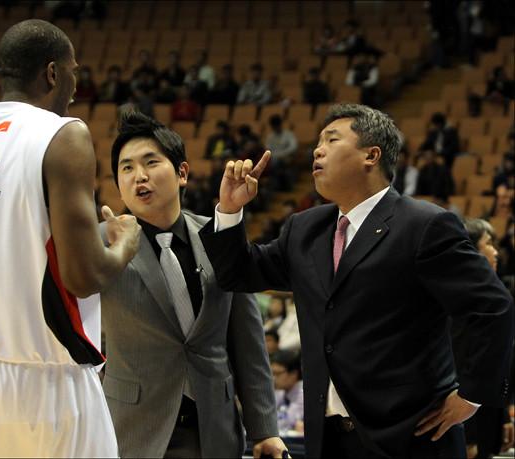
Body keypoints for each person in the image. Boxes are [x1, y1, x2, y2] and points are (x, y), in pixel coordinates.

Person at [199, 103, 514, 459]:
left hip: (411, 437)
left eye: (332, 140)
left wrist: (472, 395)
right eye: (318, 142)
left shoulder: (424, 225)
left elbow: (492, 307)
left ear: (371, 155)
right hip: (328, 438)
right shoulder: (304, 229)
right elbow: (238, 274)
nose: (317, 150)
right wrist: (230, 210)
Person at [0, 19, 141, 458]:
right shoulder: (61, 135)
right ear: (52, 73)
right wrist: (124, 243)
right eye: (73, 72)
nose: (75, 87)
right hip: (35, 384)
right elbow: (84, 276)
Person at [100, 109, 287, 458]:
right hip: (133, 430)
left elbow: (247, 341)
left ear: (182, 173)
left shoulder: (221, 237)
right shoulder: (101, 243)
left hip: (214, 429)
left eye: (150, 162)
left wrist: (265, 430)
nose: (139, 176)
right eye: (127, 168)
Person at [452, 218, 515, 459]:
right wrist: (468, 435)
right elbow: (460, 369)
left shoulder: (494, 293)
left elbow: (498, 365)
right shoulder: (459, 300)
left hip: (489, 414)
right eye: (488, 243)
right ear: (470, 250)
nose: (496, 252)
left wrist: (504, 415)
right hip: (467, 421)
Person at [271, 350, 304, 437]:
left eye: (277, 374)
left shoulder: (304, 395)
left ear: (293, 374)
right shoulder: (280, 393)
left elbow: (286, 423)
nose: (273, 378)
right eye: (272, 374)